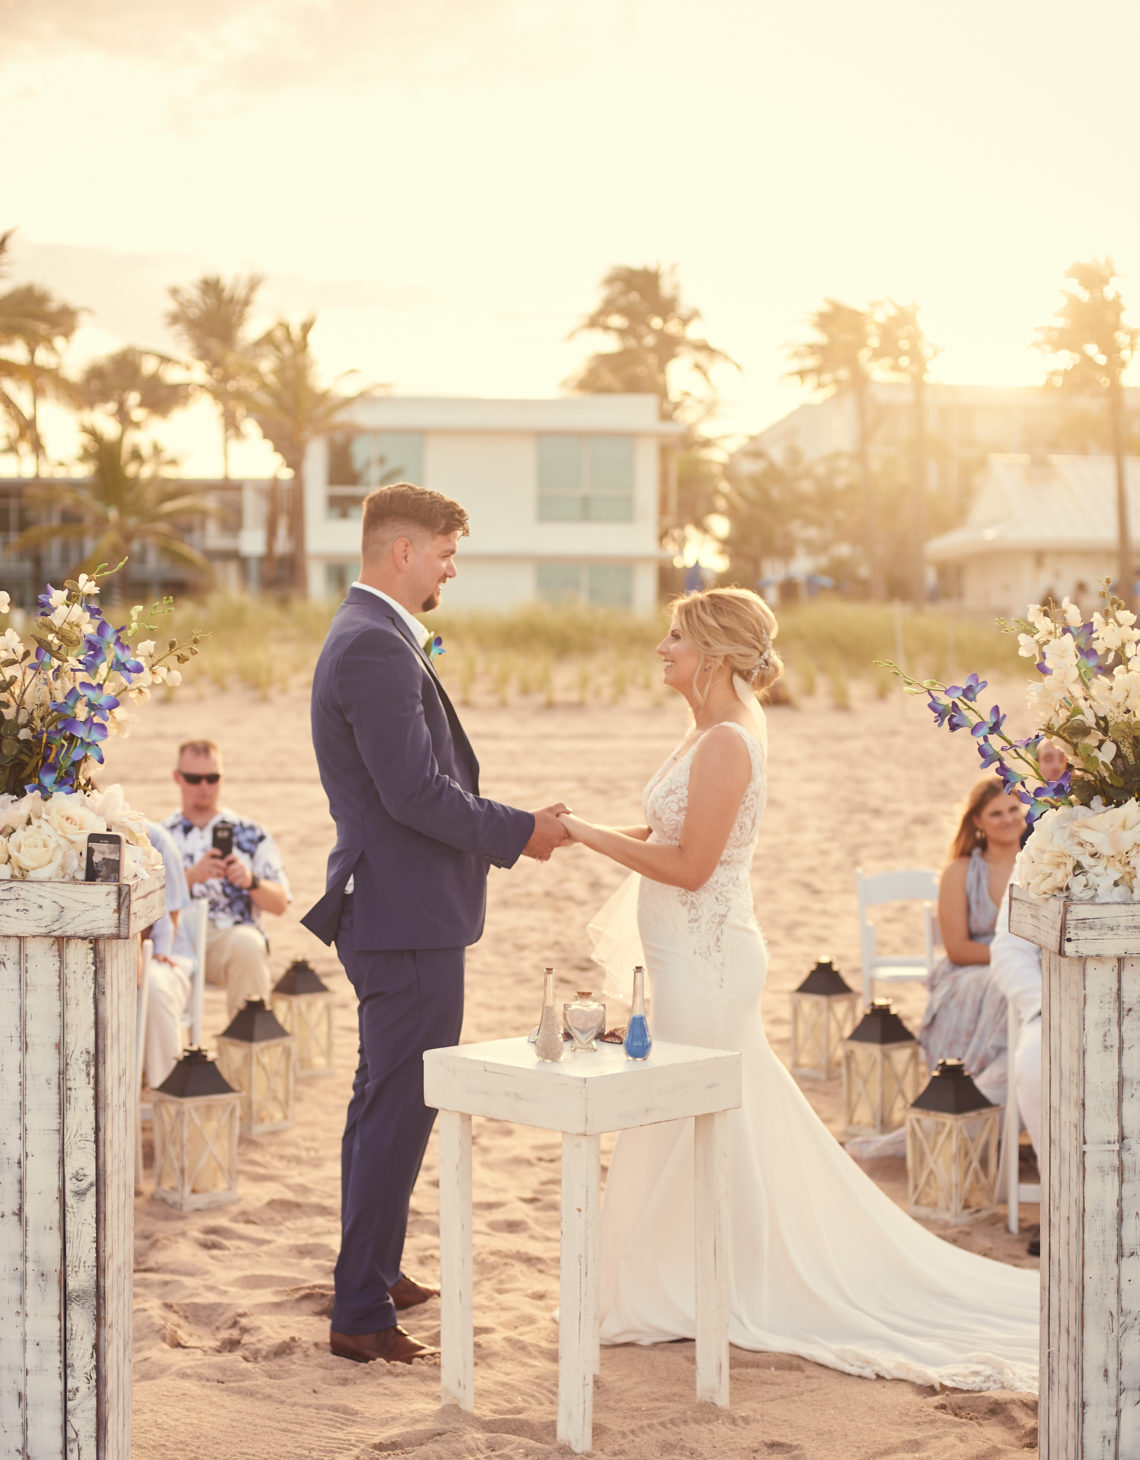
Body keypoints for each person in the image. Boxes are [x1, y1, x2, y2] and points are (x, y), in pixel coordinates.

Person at [557, 587, 1037, 1390]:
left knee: (695, 1109)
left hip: (708, 961)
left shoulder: (726, 743)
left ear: (712, 654)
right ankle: (689, 1274)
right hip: (687, 954)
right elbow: (669, 832)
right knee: (700, 1112)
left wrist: (579, 834)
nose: (661, 646)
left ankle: (714, 1278)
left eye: (675, 635)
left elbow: (691, 865)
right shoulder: (705, 733)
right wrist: (585, 830)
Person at [303, 482, 570, 1367]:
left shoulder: (371, 635)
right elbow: (414, 793)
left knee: (380, 1099)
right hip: (402, 915)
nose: (453, 568)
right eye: (447, 553)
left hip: (393, 909)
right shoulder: (374, 647)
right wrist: (518, 831)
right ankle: (361, 1312)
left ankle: (371, 1269)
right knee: (399, 1107)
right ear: (403, 552)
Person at [163, 740, 291, 1022]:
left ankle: (247, 1060)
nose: (204, 787)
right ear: (177, 778)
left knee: (248, 945)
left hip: (228, 936)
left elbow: (281, 903)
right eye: (194, 779)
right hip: (174, 935)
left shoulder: (249, 832)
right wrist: (190, 877)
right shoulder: (161, 836)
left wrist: (250, 881)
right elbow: (143, 902)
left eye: (213, 778)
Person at [917, 779, 1026, 1105]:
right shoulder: (961, 871)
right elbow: (958, 948)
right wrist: (1012, 960)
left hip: (1030, 969)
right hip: (972, 973)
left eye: (1013, 809)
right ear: (977, 821)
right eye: (996, 813)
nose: (1007, 818)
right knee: (1002, 984)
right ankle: (977, 1092)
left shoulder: (1044, 866)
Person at [141, 818, 197, 1092]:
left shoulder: (152, 837)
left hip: (162, 949)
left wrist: (155, 951)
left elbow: (170, 912)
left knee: (152, 986)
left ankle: (168, 1095)